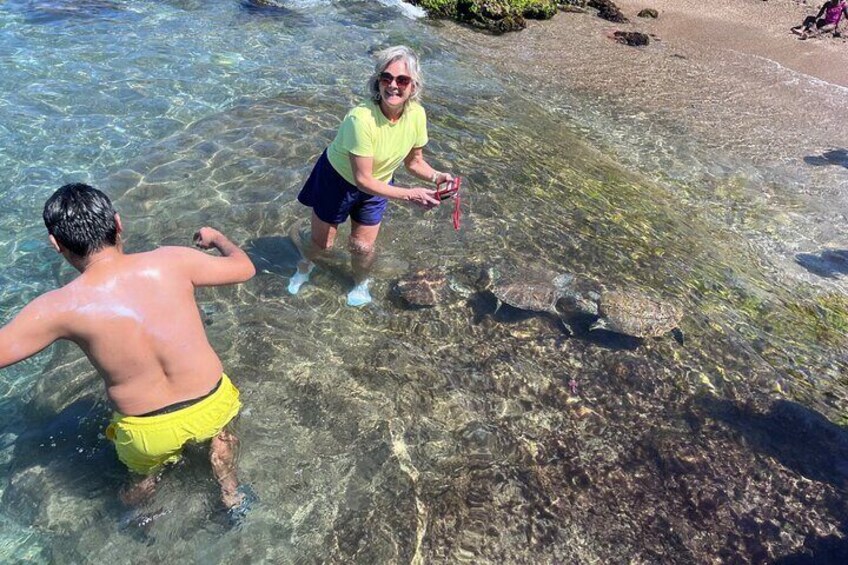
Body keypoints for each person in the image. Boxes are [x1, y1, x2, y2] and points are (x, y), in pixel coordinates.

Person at [0, 183, 257, 521]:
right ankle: (230, 491)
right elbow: (244, 267)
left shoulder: (58, 307)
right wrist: (218, 238)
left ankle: (141, 515)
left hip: (146, 431)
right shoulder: (171, 261)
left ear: (55, 244)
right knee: (221, 438)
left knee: (141, 479)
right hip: (212, 402)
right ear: (118, 223)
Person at [288, 45, 455, 307]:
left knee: (363, 247)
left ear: (414, 86)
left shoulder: (417, 115)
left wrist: (437, 177)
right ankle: (303, 266)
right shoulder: (360, 119)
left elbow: (414, 162)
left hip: (380, 183)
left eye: (402, 80)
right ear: (377, 81)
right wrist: (410, 194)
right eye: (386, 78)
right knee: (323, 244)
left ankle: (360, 282)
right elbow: (363, 180)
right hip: (338, 180)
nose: (393, 85)